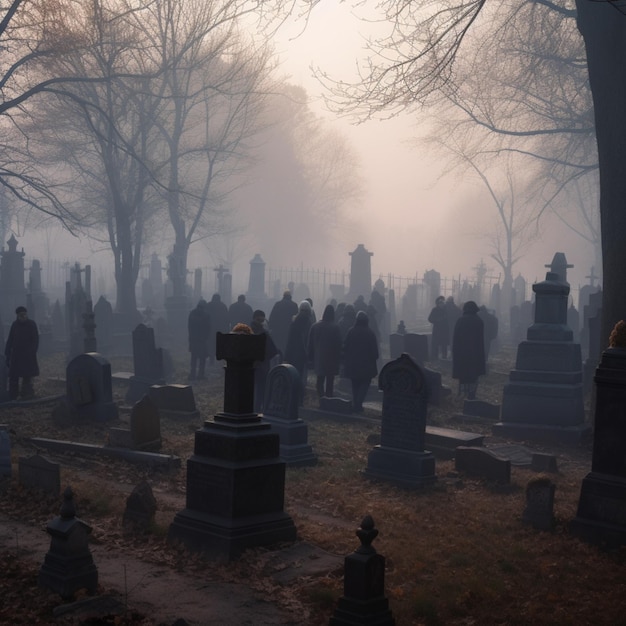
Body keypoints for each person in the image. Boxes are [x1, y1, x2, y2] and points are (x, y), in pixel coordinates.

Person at [343, 310, 379, 413]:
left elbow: (345, 347)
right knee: (364, 385)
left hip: (353, 365)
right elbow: (375, 353)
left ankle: (356, 404)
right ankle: (358, 404)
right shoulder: (370, 333)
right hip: (366, 366)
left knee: (355, 385)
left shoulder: (351, 331)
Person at [452, 300, 486, 399]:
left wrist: (455, 351)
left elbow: (455, 338)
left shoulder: (460, 320)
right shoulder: (479, 321)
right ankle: (472, 393)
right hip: (475, 352)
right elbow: (480, 340)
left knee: (463, 374)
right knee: (473, 374)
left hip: (461, 352)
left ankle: (462, 392)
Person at [308, 304, 342, 399]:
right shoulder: (336, 327)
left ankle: (321, 397)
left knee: (320, 379)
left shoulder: (315, 326)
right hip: (332, 358)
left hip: (319, 357)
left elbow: (310, 344)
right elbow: (339, 344)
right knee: (330, 380)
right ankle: (329, 398)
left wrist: (310, 357)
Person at [5, 306, 39, 400]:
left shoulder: (31, 324)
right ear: (17, 316)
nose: (23, 317)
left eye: (24, 314)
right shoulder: (15, 325)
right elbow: (10, 339)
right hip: (16, 355)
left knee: (27, 376)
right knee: (13, 376)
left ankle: (27, 395)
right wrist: (7, 353)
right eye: (21, 315)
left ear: (26, 314)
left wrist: (32, 351)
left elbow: (35, 339)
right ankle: (13, 396)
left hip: (28, 354)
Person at [250, 309, 279, 413]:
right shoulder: (264, 333)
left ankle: (250, 408)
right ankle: (258, 409)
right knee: (261, 389)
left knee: (252, 388)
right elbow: (273, 350)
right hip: (262, 364)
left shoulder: (247, 331)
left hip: (250, 365)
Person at [284, 300, 313, 403]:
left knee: (292, 376)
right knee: (301, 377)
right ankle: (299, 399)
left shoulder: (294, 322)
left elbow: (290, 340)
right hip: (303, 354)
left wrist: (286, 355)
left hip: (293, 353)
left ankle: (292, 397)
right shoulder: (309, 323)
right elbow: (310, 340)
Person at [269, 290, 298, 356]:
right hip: (289, 330)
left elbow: (272, 317)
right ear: (290, 296)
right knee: (286, 347)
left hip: (278, 330)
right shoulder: (294, 305)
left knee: (278, 347)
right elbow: (296, 319)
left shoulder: (277, 304)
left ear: (283, 296)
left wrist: (271, 327)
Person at [187, 299, 211, 380]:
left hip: (193, 339)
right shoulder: (206, 315)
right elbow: (208, 328)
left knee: (193, 357)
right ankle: (201, 374)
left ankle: (192, 374)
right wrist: (206, 337)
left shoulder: (192, 314)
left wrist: (190, 337)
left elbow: (189, 327)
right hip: (202, 339)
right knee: (202, 358)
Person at [206, 293, 229, 365]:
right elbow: (226, 318)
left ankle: (211, 359)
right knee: (219, 343)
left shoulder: (208, 305)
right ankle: (220, 358)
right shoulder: (223, 306)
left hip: (211, 328)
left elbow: (206, 317)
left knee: (211, 343)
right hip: (220, 328)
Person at [428, 296, 449, 360]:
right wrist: (437, 320)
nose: (442, 304)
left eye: (443, 302)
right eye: (440, 303)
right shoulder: (435, 310)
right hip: (437, 330)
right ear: (438, 303)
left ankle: (444, 357)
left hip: (444, 330)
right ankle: (434, 358)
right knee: (436, 344)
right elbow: (430, 319)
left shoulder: (446, 310)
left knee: (444, 345)